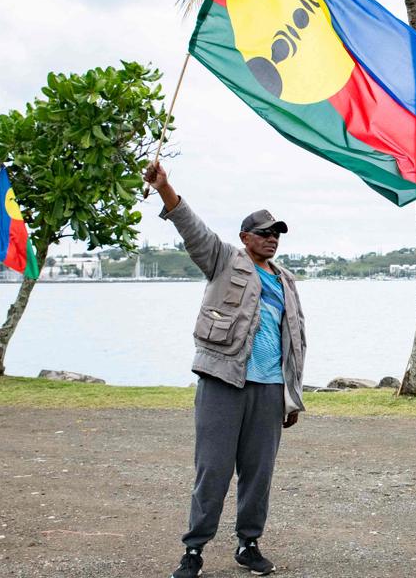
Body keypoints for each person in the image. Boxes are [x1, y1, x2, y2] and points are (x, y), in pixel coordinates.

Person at [145, 162, 306, 578]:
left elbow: (294, 342)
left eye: (276, 234)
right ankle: (194, 550)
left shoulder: (287, 280)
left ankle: (248, 544)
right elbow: (190, 226)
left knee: (258, 475)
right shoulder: (223, 261)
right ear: (244, 238)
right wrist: (166, 189)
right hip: (223, 382)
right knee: (213, 470)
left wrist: (291, 396)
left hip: (270, 390)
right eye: (264, 233)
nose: (272, 239)